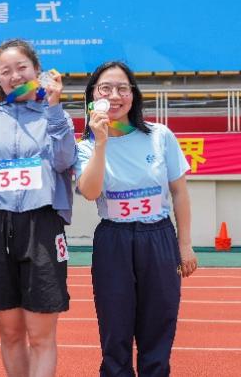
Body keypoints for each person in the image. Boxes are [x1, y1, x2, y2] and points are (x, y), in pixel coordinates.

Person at [75, 60, 198, 377]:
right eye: (105, 88)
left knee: (159, 324)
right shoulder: (86, 147)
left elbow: (179, 192)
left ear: (133, 94)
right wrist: (101, 142)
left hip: (158, 237)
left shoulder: (160, 136)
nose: (114, 96)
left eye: (122, 88)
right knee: (115, 327)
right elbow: (90, 192)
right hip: (113, 239)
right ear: (93, 96)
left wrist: (185, 245)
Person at [0, 39, 76, 377]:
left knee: (41, 336)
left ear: (37, 70)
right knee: (11, 334)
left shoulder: (55, 115)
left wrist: (54, 108)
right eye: (6, 71)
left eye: (21, 68)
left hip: (41, 223)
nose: (14, 76)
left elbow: (64, 162)